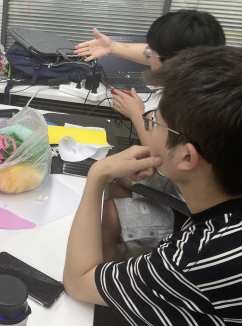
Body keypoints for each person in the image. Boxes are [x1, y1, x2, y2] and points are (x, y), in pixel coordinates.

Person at [64, 45, 242, 324]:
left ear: (187, 157)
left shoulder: (193, 260)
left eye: (154, 122)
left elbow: (78, 281)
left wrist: (97, 174)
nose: (149, 126)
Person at [76, 10, 225, 260]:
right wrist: (111, 47)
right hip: (185, 184)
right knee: (119, 180)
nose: (147, 55)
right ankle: (122, 246)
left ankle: (104, 269)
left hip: (192, 211)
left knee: (108, 213)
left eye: (152, 53)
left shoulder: (188, 107)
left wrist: (137, 114)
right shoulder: (209, 79)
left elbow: (162, 160)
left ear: (173, 60)